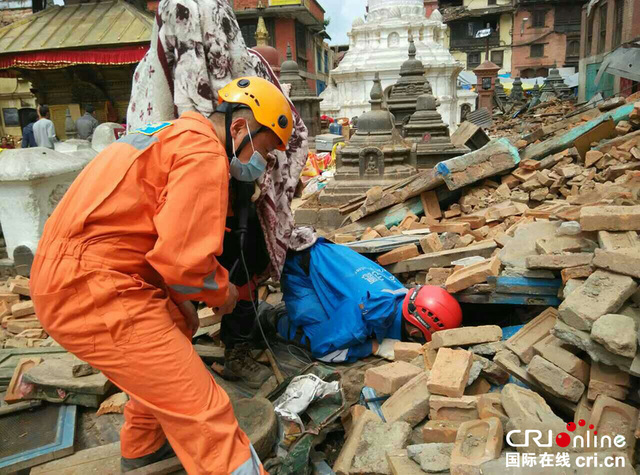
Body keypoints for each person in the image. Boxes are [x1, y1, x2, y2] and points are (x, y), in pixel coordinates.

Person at [31, 76, 292, 474]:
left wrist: (183, 301)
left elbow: (149, 237)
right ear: (240, 128)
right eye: (266, 149)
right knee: (206, 412)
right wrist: (223, 293)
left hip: (78, 272)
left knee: (174, 333)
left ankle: (143, 449)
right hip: (92, 286)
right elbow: (184, 262)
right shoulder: (205, 155)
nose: (261, 163)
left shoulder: (173, 134)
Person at [127, 0, 314, 390]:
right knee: (171, 276)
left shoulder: (249, 73)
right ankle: (168, 359)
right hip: (180, 203)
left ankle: (236, 350)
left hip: (238, 196)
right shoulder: (155, 77)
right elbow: (177, 258)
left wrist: (256, 178)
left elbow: (287, 136)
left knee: (246, 261)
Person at [269, 238, 463, 363]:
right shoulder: (359, 321)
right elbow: (321, 350)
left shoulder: (400, 293)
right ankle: (270, 317)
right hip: (300, 267)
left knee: (340, 312)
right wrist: (374, 347)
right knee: (312, 336)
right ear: (414, 332)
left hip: (330, 257)